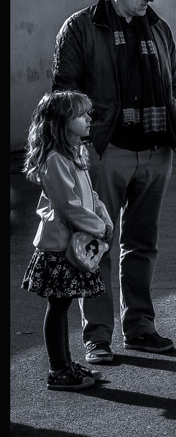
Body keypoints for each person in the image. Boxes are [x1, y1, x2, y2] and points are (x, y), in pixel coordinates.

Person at [52, 0, 176, 365]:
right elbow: (65, 92)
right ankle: (98, 337)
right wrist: (84, 146)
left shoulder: (159, 28)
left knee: (143, 244)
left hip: (155, 149)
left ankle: (141, 327)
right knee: (96, 242)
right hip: (104, 152)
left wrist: (175, 121)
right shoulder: (80, 28)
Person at [21, 90, 115, 391]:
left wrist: (104, 217)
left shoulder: (74, 153)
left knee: (63, 306)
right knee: (58, 307)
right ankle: (58, 369)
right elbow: (68, 206)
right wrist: (98, 227)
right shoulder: (55, 159)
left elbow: (91, 195)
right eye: (80, 115)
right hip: (59, 246)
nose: (89, 119)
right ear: (61, 122)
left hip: (72, 243)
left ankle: (64, 364)